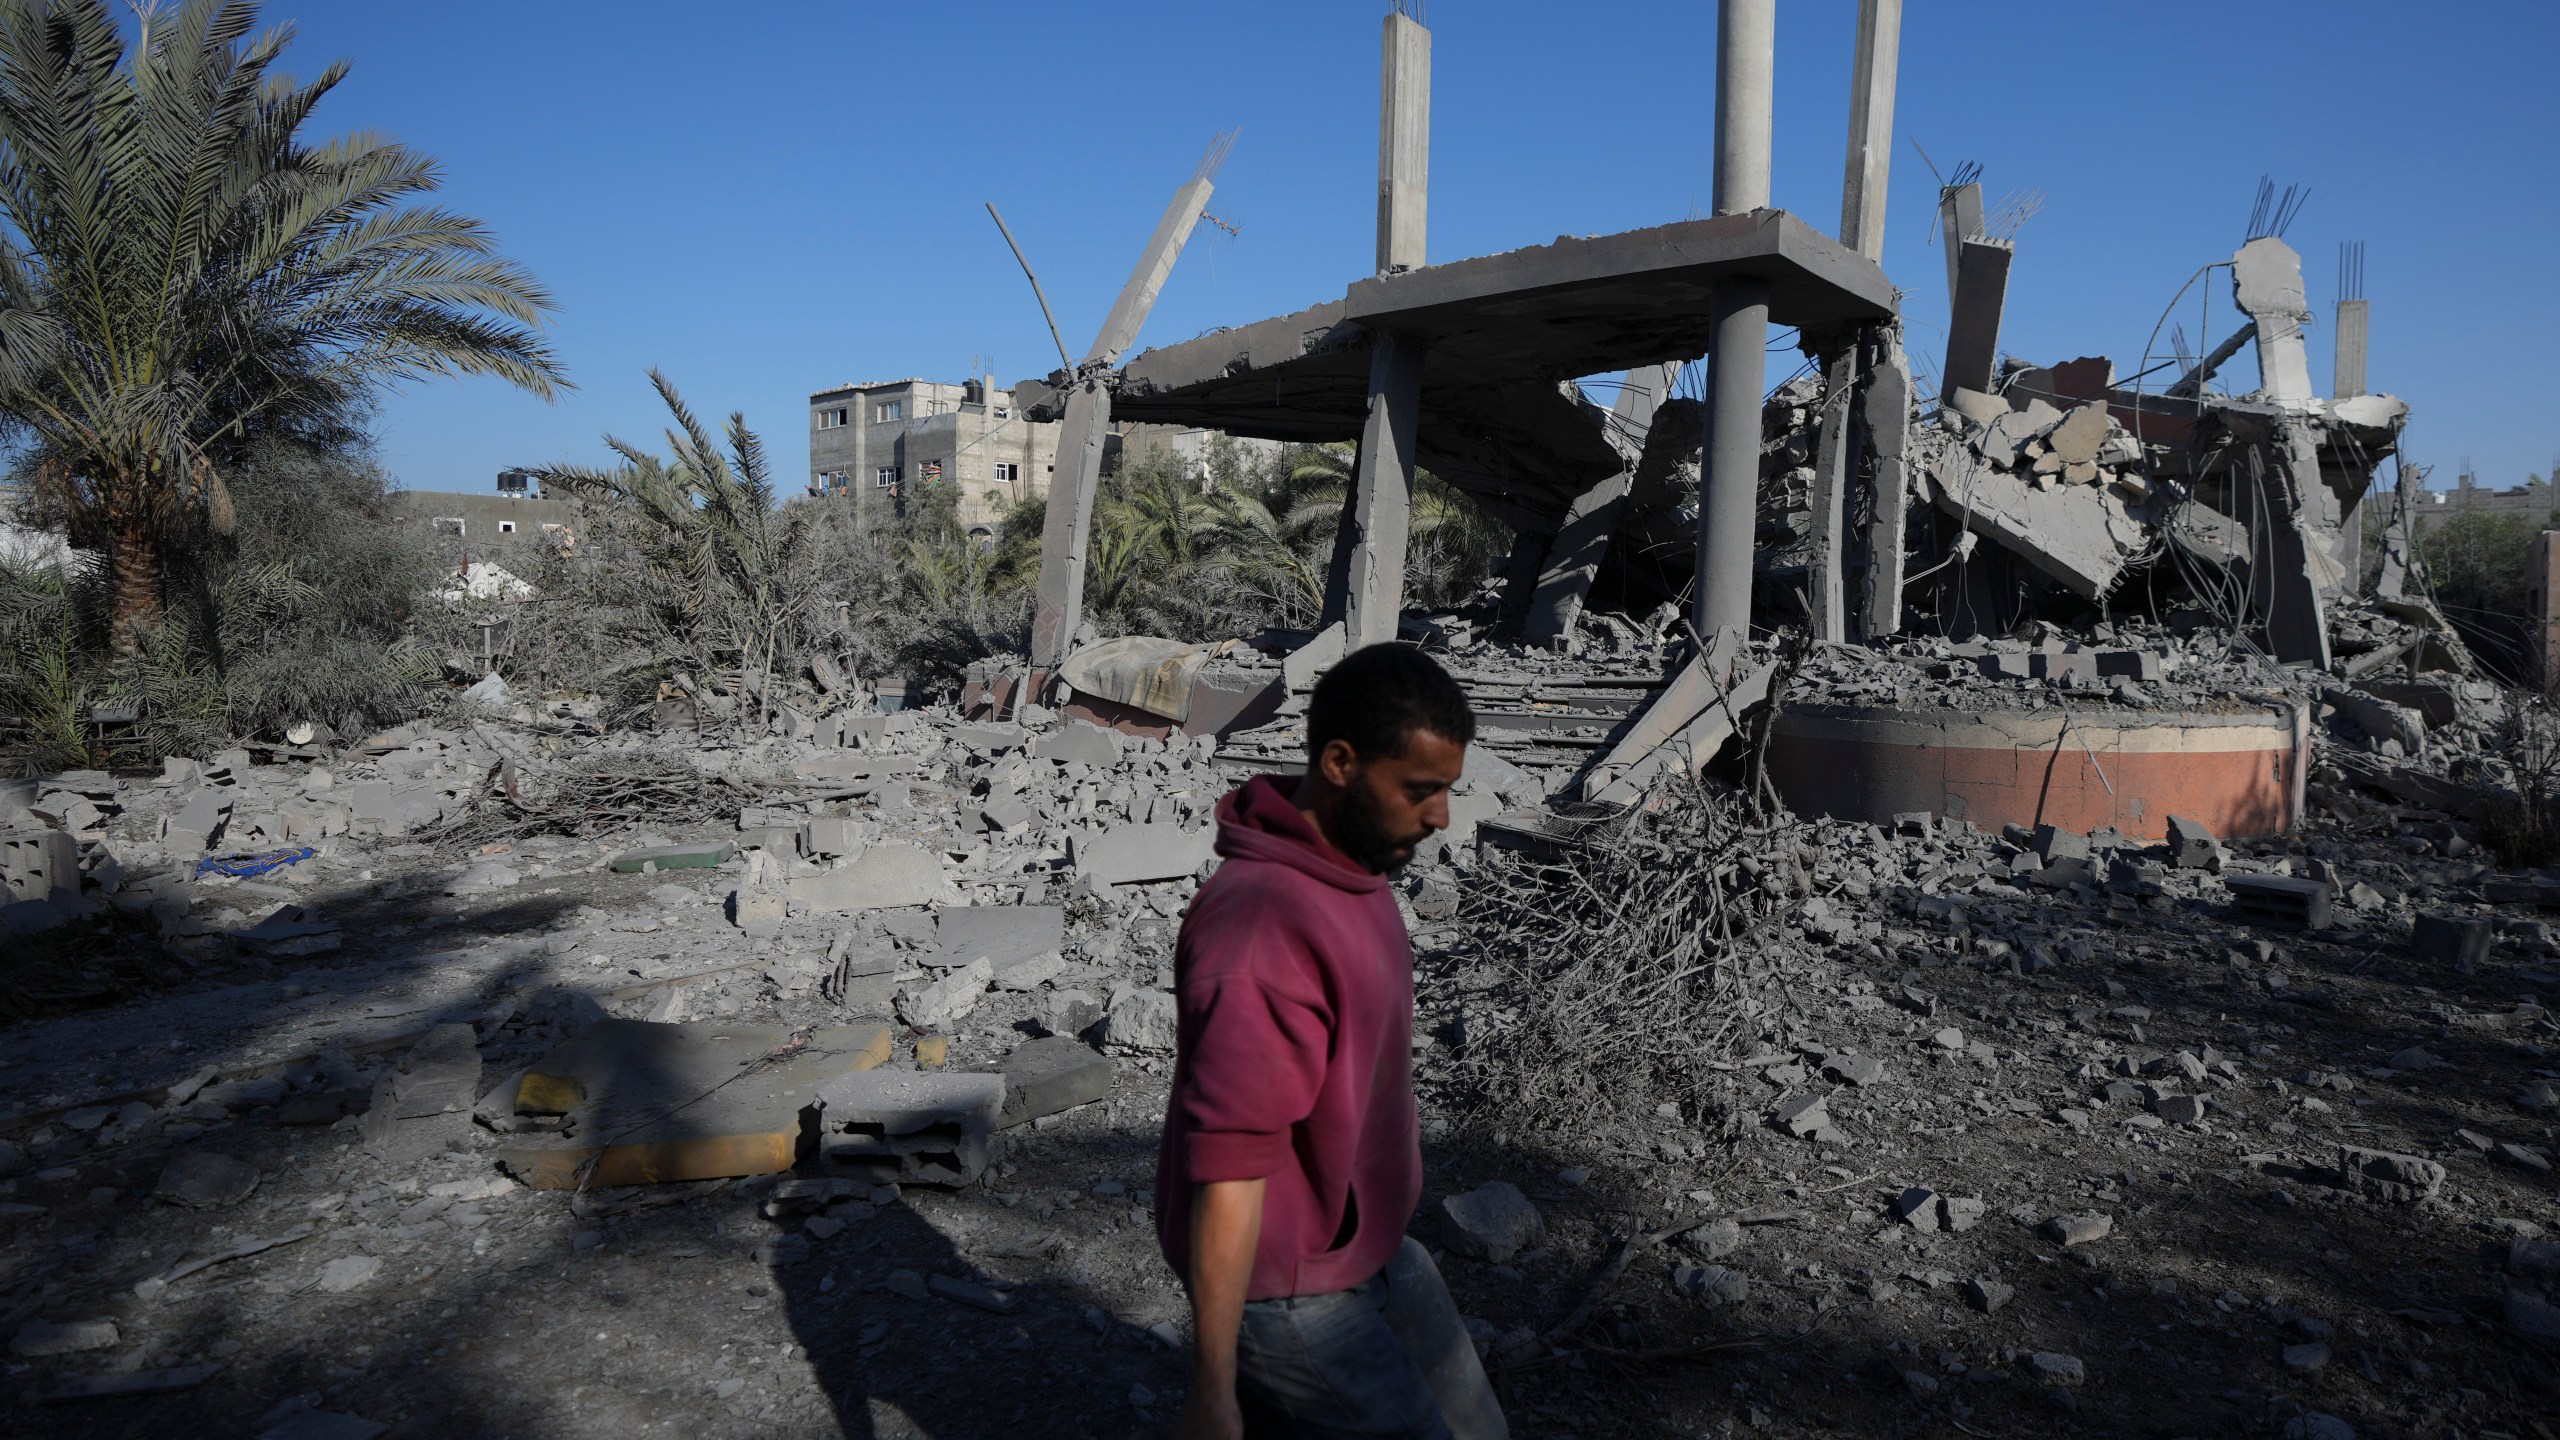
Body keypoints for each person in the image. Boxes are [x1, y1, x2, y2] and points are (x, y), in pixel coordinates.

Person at [1155, 643, 1507, 1439]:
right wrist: (1212, 1392)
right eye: (1420, 790)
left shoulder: (1353, 869)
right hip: (1285, 1291)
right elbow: (1232, 1167)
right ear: (1341, 762)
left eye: (1447, 790)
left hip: (1361, 1251)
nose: (1442, 816)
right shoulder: (1261, 932)